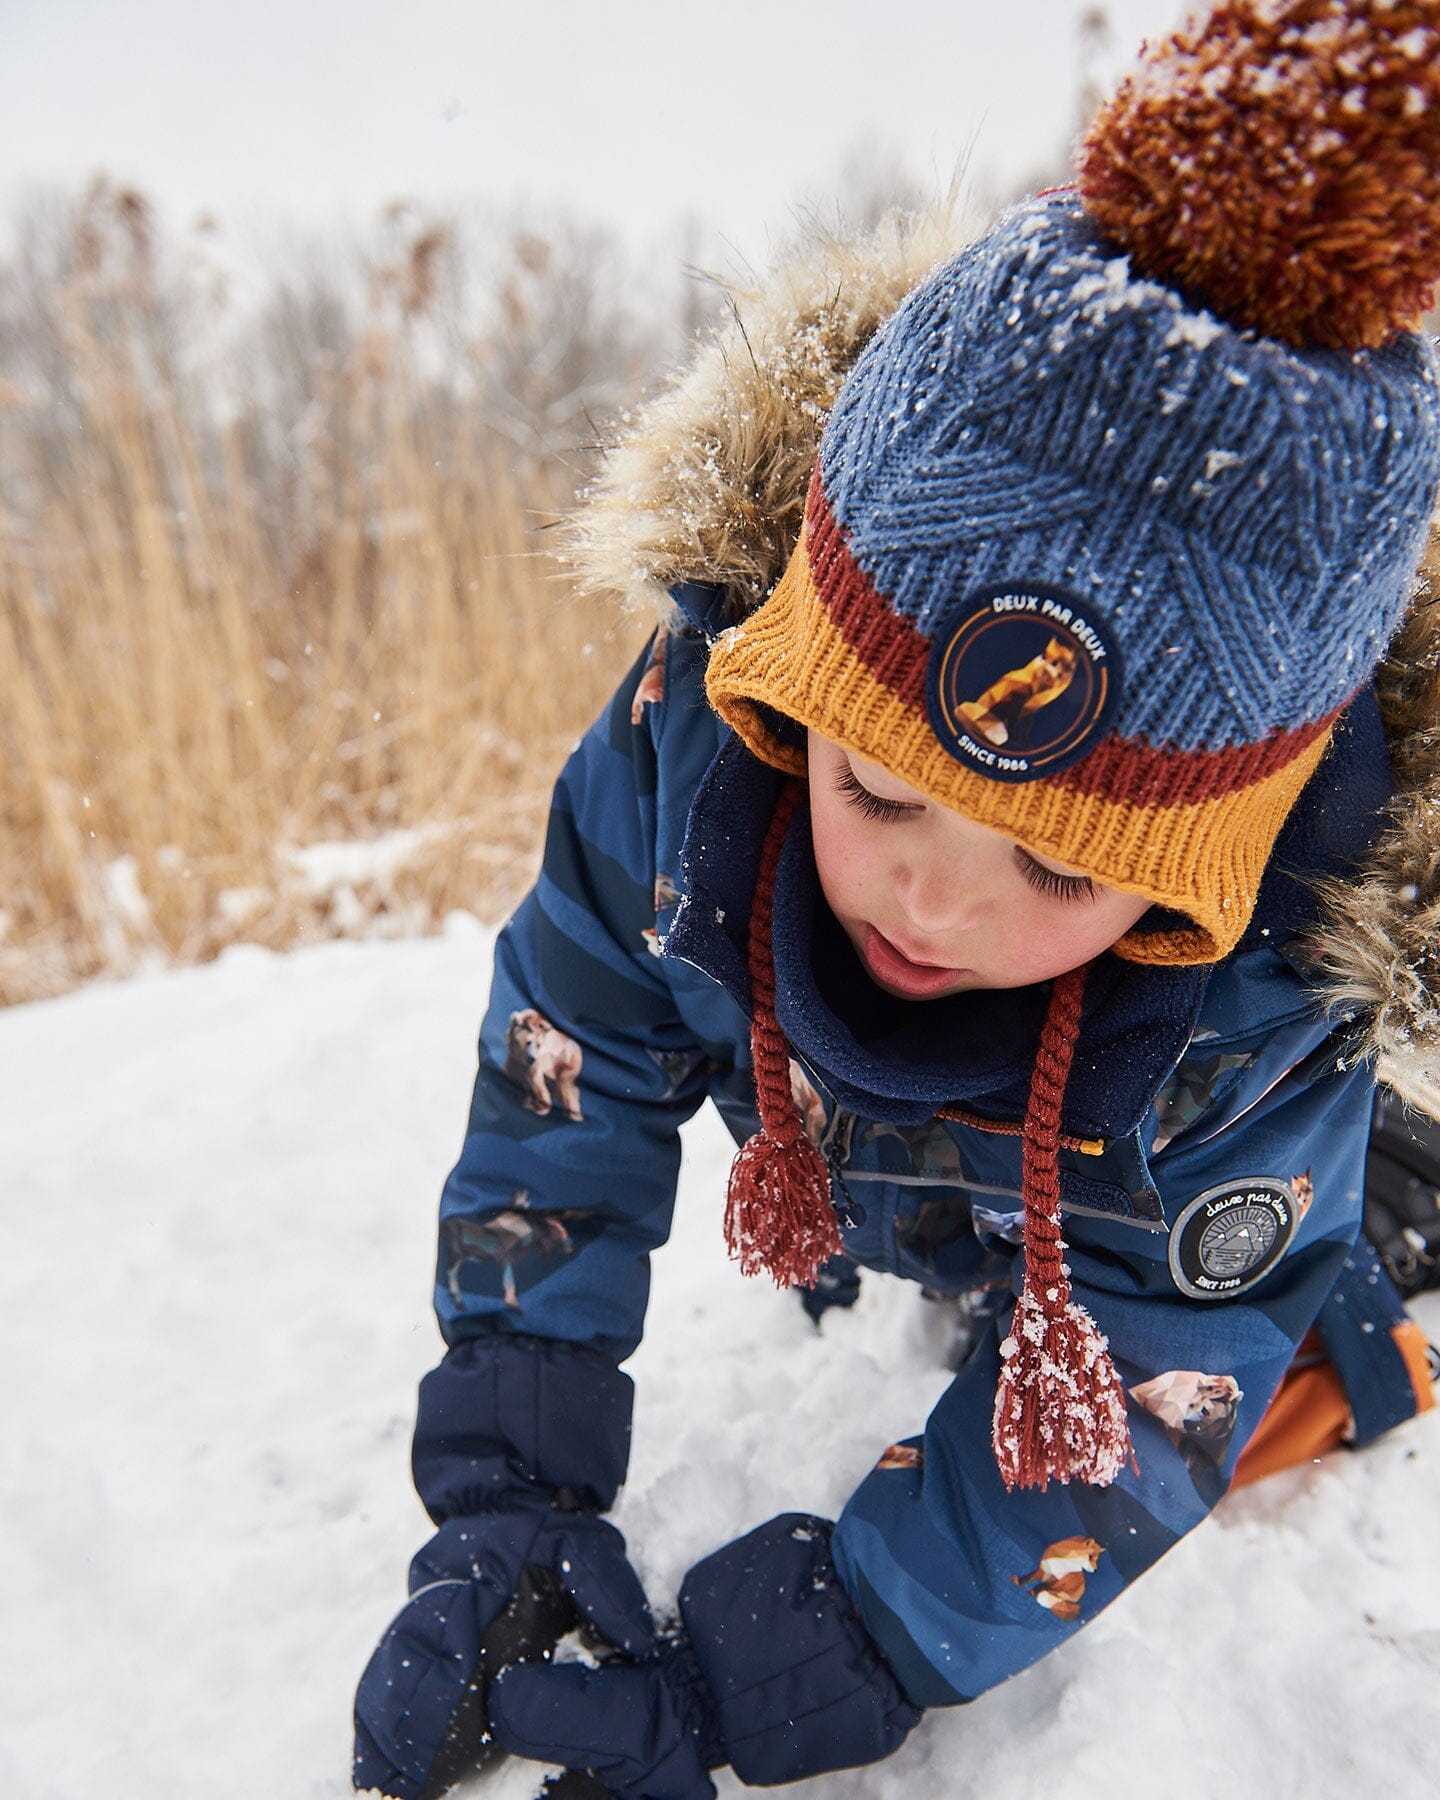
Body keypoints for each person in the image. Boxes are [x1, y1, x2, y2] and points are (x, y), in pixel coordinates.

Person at [353, 4, 1440, 1796]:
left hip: (1251, 1193)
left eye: (1062, 861)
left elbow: (1163, 1369)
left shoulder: (1260, 1016)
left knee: (1297, 1350)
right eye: (874, 789)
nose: (929, 900)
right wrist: (511, 1485)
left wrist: (836, 1646)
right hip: (929, 1182)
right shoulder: (687, 750)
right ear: (793, 690)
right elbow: (573, 1066)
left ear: (1206, 872)